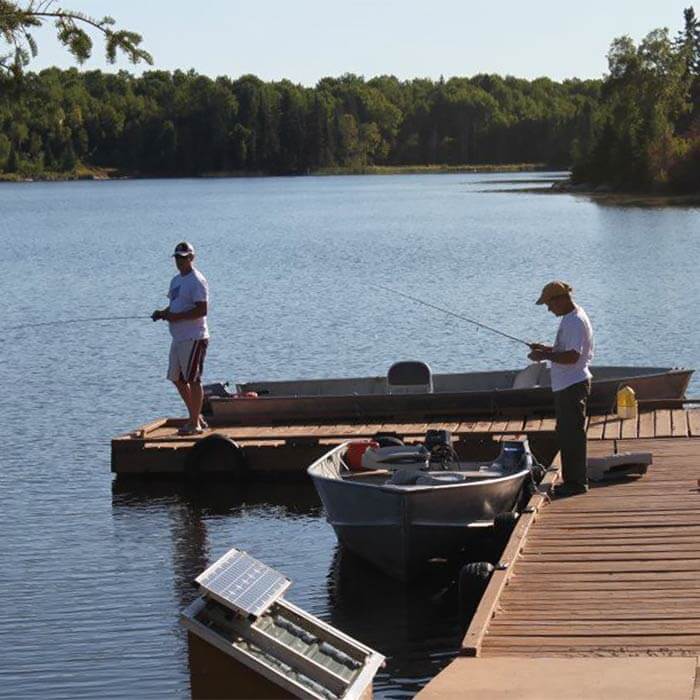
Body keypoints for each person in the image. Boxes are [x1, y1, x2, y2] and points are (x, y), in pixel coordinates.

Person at [528, 281, 594, 497]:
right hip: (567, 385)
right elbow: (566, 351)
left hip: (572, 385)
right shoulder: (570, 318)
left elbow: (573, 357)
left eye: (549, 303)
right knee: (566, 433)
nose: (548, 308)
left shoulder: (574, 321)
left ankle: (576, 484)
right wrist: (546, 349)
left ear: (561, 299)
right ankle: (573, 480)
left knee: (572, 435)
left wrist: (544, 355)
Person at [152, 241, 210, 436]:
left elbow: (202, 310)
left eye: (184, 258)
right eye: (177, 257)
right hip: (177, 338)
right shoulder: (176, 280)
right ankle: (196, 416)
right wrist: (163, 313)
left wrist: (175, 317)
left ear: (191, 258)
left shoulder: (197, 280)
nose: (180, 261)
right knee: (176, 378)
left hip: (194, 337)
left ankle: (194, 423)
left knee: (193, 380)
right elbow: (175, 306)